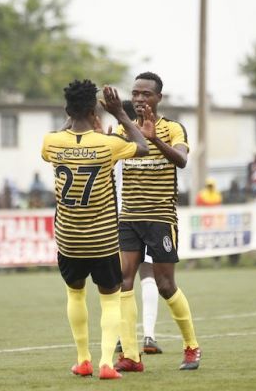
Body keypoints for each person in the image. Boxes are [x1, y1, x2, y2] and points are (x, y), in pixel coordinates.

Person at [41, 80, 150, 380]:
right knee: (110, 298)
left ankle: (82, 360)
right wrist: (120, 114)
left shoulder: (51, 142)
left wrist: (76, 115)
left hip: (69, 241)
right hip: (102, 240)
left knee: (75, 295)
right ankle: (105, 363)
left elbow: (63, 134)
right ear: (94, 111)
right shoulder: (107, 144)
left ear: (66, 109)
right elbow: (142, 146)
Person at [114, 72, 201, 372]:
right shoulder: (121, 128)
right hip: (129, 217)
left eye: (146, 94)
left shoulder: (174, 128)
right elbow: (105, 153)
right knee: (123, 282)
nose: (139, 99)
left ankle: (191, 346)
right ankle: (130, 355)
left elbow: (181, 159)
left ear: (158, 98)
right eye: (135, 94)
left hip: (161, 217)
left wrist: (153, 140)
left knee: (165, 285)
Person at [114, 100, 163, 355]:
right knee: (148, 275)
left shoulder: (115, 141)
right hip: (145, 213)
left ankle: (124, 337)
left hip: (117, 216)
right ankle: (149, 336)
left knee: (124, 278)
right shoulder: (144, 144)